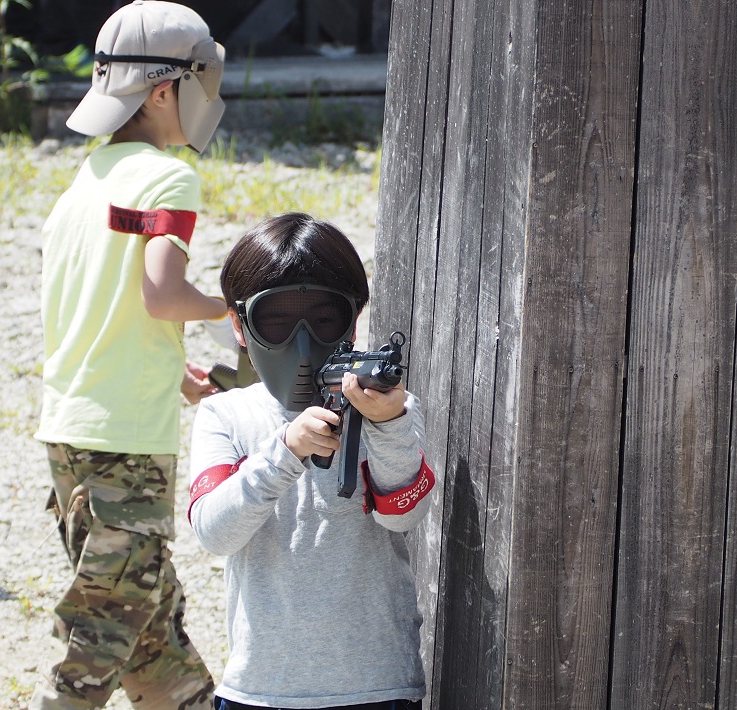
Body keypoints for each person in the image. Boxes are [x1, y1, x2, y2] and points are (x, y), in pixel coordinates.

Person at [30, 2, 229, 708]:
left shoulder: (85, 186)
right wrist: (230, 309)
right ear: (164, 89)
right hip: (126, 444)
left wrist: (175, 374)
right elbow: (161, 295)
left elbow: (97, 308)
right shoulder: (169, 179)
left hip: (70, 430)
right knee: (105, 635)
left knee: (148, 628)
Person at [188, 212, 437, 710]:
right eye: (276, 321)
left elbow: (403, 515)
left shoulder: (388, 408)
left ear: (352, 319)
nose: (302, 343)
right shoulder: (226, 413)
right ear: (239, 325)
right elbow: (214, 532)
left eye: (323, 320)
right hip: (260, 689)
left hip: (376, 685)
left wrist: (387, 423)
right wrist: (285, 452)